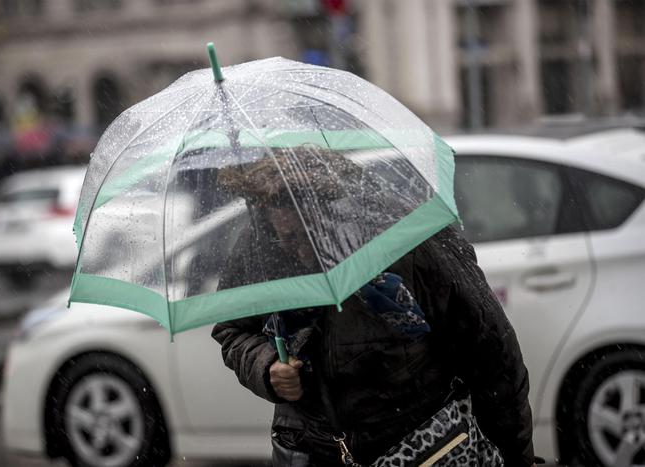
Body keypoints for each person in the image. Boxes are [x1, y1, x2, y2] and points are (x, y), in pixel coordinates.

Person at [212, 148, 536, 466]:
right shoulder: (260, 248)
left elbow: (492, 352)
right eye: (283, 236)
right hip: (308, 448)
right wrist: (266, 366)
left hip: (418, 445)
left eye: (303, 236)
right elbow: (232, 330)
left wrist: (516, 456)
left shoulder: (409, 237)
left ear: (335, 216)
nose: (292, 249)